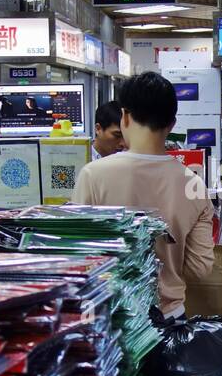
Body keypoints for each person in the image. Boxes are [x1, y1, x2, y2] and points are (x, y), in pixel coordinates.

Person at [72, 72, 213, 318]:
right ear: (172, 124)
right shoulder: (194, 184)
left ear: (125, 116)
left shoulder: (93, 175)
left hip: (112, 317)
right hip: (169, 315)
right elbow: (200, 268)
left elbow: (78, 255)